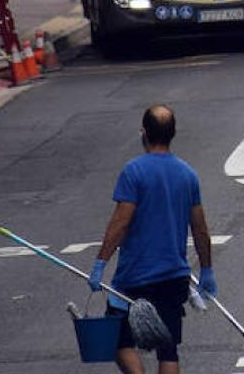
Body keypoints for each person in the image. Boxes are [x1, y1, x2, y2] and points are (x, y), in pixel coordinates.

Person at [91, 105, 216, 374]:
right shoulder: (188, 174)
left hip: (135, 277)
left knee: (118, 339)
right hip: (174, 277)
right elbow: (200, 229)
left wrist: (101, 262)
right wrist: (206, 269)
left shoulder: (133, 171)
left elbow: (121, 222)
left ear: (144, 133)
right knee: (168, 348)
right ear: (173, 133)